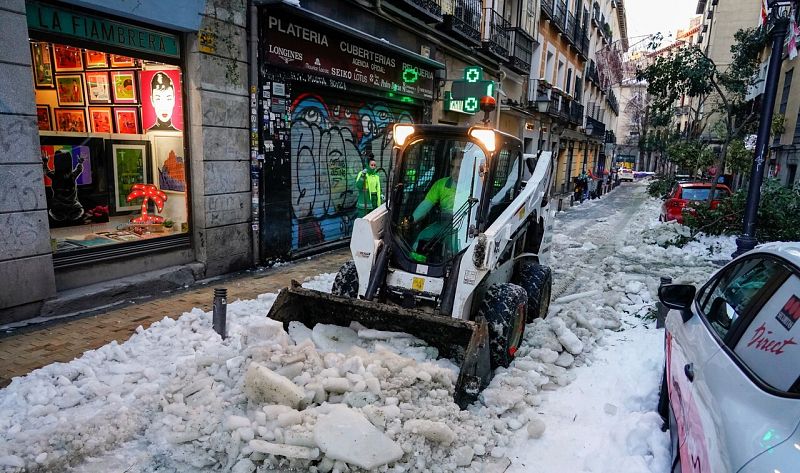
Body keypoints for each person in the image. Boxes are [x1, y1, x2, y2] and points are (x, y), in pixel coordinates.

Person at [43, 150, 84, 222]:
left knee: (55, 212)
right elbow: (79, 170)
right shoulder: (72, 176)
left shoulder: (55, 176)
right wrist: (80, 163)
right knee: (78, 210)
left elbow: (46, 171)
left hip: (58, 207)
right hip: (72, 206)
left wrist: (45, 162)